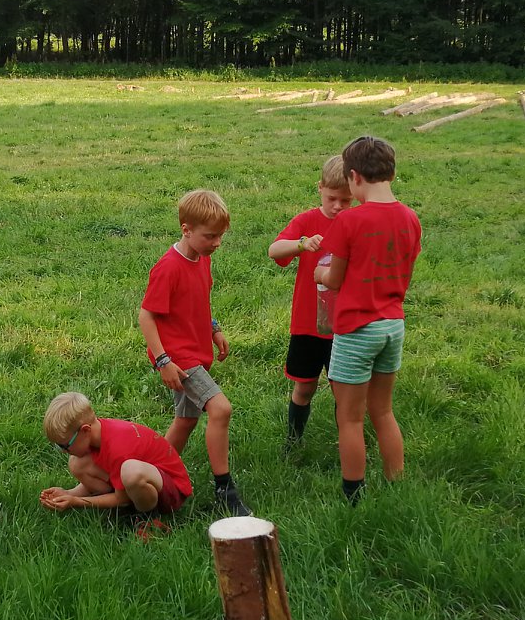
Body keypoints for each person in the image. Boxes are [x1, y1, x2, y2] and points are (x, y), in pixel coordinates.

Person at [316, 136, 422, 503]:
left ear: (354, 177)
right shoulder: (410, 218)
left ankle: (353, 495)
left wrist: (319, 273)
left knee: (350, 418)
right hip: (393, 325)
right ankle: (396, 484)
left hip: (357, 329)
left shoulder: (350, 220)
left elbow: (334, 279)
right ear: (391, 173)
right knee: (383, 410)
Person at [139, 188, 250, 517]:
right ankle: (224, 489)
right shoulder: (168, 268)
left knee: (186, 420)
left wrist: (214, 329)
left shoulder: (202, 259)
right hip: (179, 359)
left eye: (220, 236)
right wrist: (164, 361)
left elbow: (198, 301)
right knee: (221, 409)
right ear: (186, 229)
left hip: (196, 351)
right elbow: (146, 316)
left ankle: (150, 476)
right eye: (210, 236)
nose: (217, 243)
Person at [267, 153, 353, 448]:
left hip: (345, 326)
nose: (338, 206)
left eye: (346, 200)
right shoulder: (306, 220)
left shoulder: (356, 224)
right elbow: (274, 250)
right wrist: (301, 243)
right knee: (304, 387)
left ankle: (348, 444)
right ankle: (293, 441)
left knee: (344, 391)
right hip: (307, 324)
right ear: (320, 188)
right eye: (332, 198)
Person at [39, 391, 192, 525]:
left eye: (65, 445)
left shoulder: (118, 448)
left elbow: (121, 499)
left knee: (131, 471)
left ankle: (147, 518)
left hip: (172, 492)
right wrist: (69, 494)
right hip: (143, 481)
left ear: (85, 430)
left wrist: (78, 502)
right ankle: (130, 501)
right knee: (77, 463)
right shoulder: (96, 434)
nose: (63, 451)